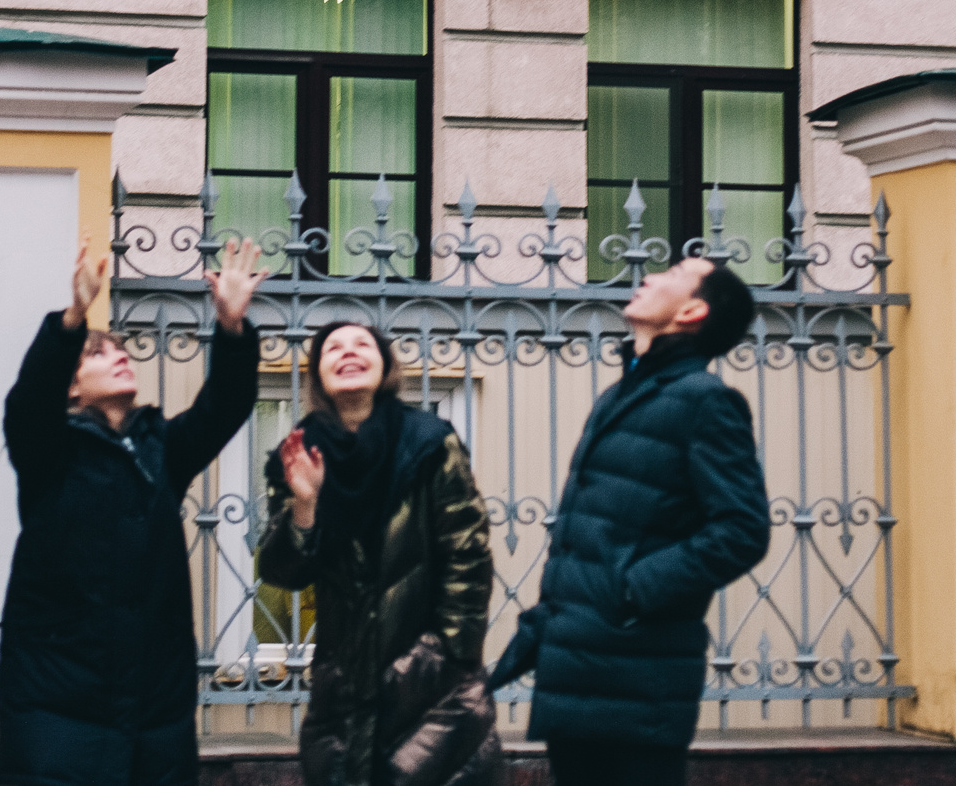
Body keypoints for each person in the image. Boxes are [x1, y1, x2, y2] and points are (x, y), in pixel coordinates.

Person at [486, 255, 770, 786]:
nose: (649, 276)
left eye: (674, 274)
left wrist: (631, 589)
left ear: (692, 310)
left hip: (639, 681)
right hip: (578, 673)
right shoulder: (619, 397)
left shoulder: (706, 402)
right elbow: (590, 545)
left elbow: (742, 530)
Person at [0, 236, 267, 786]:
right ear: (70, 386)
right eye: (98, 353)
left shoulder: (158, 449)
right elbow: (28, 400)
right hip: (57, 706)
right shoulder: (48, 450)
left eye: (122, 349)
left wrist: (232, 326)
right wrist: (74, 316)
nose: (119, 355)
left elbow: (224, 407)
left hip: (154, 713)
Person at [257, 322, 500, 786]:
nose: (348, 352)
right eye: (333, 348)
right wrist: (304, 505)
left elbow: (467, 552)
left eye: (362, 344)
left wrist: (448, 651)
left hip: (435, 687)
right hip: (343, 688)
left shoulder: (430, 442)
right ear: (318, 373)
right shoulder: (297, 454)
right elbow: (283, 573)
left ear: (385, 365)